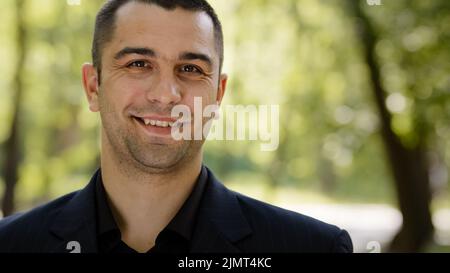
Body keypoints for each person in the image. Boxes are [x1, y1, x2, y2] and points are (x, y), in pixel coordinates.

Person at [0, 0, 352, 253]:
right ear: (93, 87)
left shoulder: (313, 247)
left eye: (191, 69)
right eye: (139, 63)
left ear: (218, 94)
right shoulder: (11, 244)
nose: (166, 95)